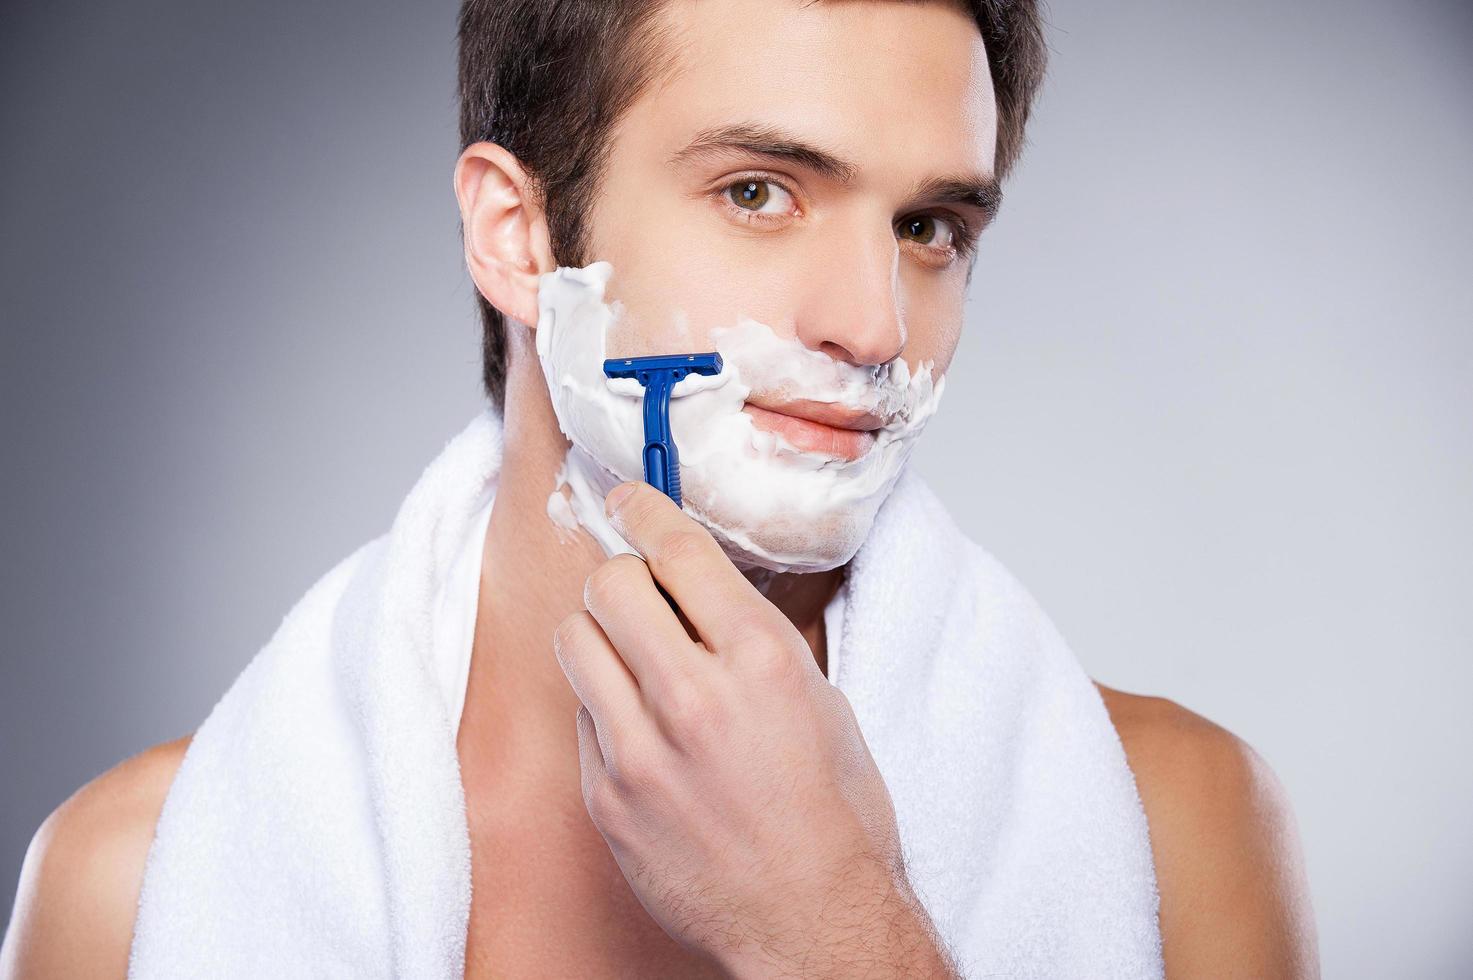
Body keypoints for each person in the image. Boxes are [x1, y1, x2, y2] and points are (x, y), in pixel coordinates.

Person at [1, 1, 1319, 977]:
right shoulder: (130, 890)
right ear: (514, 239)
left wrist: (831, 925)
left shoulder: (1177, 832)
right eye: (758, 192)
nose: (874, 324)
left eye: (928, 229)